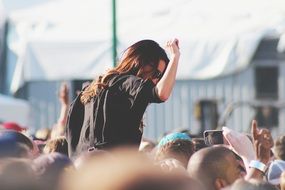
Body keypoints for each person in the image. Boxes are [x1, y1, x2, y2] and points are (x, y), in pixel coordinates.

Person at [67, 39, 180, 156]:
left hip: (81, 166)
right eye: (156, 74)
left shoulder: (88, 90)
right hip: (112, 167)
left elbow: (70, 135)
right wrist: (175, 57)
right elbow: (161, 94)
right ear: (139, 63)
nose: (157, 80)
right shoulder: (127, 83)